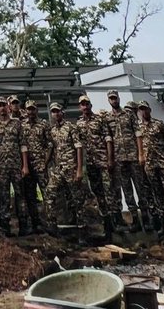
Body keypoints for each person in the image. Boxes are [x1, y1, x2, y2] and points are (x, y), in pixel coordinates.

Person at [102, 91, 149, 231]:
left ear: (118, 98)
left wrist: (141, 154)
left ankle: (146, 219)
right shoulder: (108, 118)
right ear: (108, 100)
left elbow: (138, 134)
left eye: (115, 98)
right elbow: (108, 138)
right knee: (127, 190)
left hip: (133, 156)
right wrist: (111, 159)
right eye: (111, 98)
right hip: (119, 159)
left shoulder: (128, 114)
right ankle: (135, 220)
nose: (113, 100)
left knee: (140, 187)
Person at [75, 95, 113, 240]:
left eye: (87, 104)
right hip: (91, 164)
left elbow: (108, 139)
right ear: (80, 107)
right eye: (82, 104)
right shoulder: (78, 124)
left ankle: (112, 226)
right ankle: (105, 226)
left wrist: (109, 159)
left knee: (108, 192)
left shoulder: (99, 120)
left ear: (90, 105)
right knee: (98, 194)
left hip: (103, 162)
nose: (85, 106)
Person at [137, 101, 164, 232]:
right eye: (141, 110)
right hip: (150, 164)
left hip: (163, 162)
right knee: (157, 192)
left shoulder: (159, 124)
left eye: (146, 109)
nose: (144, 112)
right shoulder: (138, 127)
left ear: (149, 110)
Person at [43, 102, 85, 235]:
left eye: (57, 111)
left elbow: (79, 148)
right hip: (58, 169)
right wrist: (46, 164)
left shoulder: (71, 127)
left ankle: (82, 229)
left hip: (71, 168)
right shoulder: (53, 130)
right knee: (49, 193)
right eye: (53, 112)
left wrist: (79, 169)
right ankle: (52, 227)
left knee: (77, 199)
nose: (56, 114)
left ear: (62, 112)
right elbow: (52, 148)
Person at [0, 96, 27, 235]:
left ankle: (23, 225)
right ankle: (6, 227)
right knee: (4, 197)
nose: (1, 108)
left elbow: (23, 145)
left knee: (20, 195)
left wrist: (25, 166)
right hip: (2, 167)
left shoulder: (17, 123)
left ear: (8, 106)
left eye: (3, 105)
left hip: (16, 165)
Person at [20, 99, 49, 234]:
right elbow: (20, 145)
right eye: (28, 109)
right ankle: (35, 223)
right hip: (27, 166)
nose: (30, 111)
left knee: (47, 194)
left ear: (36, 110)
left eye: (32, 109)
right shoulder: (22, 125)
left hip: (41, 165)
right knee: (30, 196)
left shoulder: (43, 124)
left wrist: (46, 162)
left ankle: (50, 223)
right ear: (25, 111)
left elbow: (50, 145)